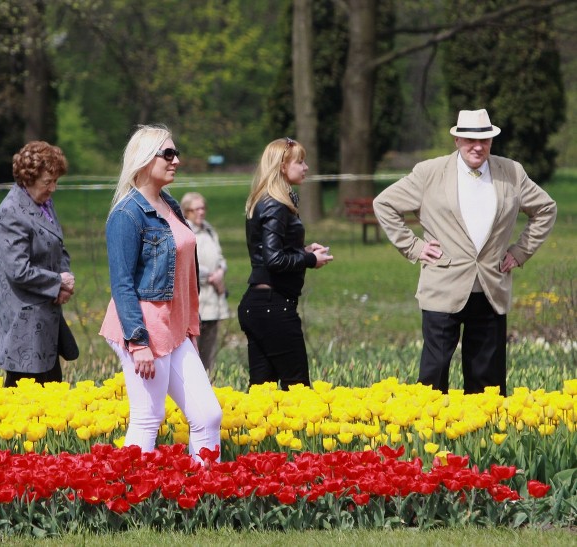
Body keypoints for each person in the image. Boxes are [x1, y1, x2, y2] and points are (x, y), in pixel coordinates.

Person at [373, 109, 557, 395]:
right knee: (434, 378)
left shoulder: (511, 172)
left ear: (492, 141)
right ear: (457, 139)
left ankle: (481, 436)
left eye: (484, 140)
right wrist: (414, 247)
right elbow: (384, 204)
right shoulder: (429, 172)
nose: (478, 146)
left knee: (488, 382)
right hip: (442, 287)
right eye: (470, 139)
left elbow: (546, 209)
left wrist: (520, 252)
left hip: (491, 288)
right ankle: (433, 435)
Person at [99, 124, 222, 462]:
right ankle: (130, 499)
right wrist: (137, 343)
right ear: (143, 159)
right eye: (168, 154)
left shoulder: (169, 205)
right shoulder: (127, 214)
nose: (176, 160)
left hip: (175, 329)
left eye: (176, 153)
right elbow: (122, 283)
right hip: (144, 328)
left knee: (208, 415)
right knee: (148, 418)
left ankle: (208, 494)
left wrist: (189, 329)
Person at [237, 138, 333, 390]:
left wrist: (303, 250)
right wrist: (311, 259)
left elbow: (270, 252)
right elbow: (274, 259)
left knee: (262, 393)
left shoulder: (266, 200)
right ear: (281, 166)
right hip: (273, 307)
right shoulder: (275, 204)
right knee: (297, 389)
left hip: (257, 306)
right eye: (300, 161)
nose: (306, 167)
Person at [0, 141, 76, 388]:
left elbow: (58, 245)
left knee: (51, 391)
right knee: (24, 398)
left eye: (55, 181)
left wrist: (65, 278)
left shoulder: (43, 203)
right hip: (22, 322)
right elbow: (18, 270)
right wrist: (57, 283)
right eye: (48, 182)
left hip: (46, 317)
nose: (53, 188)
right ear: (27, 178)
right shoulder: (11, 213)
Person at [179, 192, 230, 374]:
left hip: (213, 300)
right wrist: (210, 276)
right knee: (194, 354)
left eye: (203, 208)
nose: (201, 212)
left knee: (209, 355)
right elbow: (186, 264)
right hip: (196, 300)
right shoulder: (185, 231)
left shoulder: (209, 230)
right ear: (186, 211)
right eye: (196, 209)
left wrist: (220, 271)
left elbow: (220, 257)